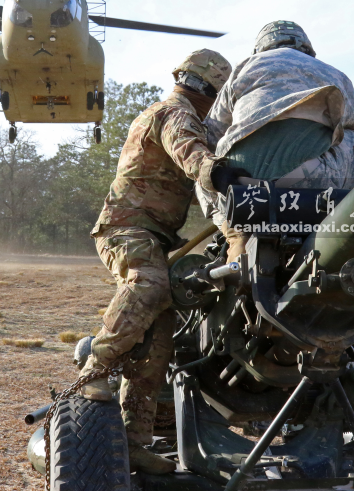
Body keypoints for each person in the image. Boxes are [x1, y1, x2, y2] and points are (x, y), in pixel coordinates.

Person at [79, 48, 242, 475]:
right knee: (148, 285)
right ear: (209, 90)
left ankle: (134, 443)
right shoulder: (176, 113)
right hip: (128, 230)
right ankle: (96, 368)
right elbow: (190, 151)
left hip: (155, 235)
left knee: (157, 347)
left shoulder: (171, 109)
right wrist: (218, 172)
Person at [197, 21, 354, 260]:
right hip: (316, 182)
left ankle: (234, 234)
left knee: (203, 165)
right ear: (307, 49)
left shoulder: (244, 68)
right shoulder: (335, 74)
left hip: (242, 186)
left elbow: (211, 135)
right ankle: (351, 219)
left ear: (261, 48)